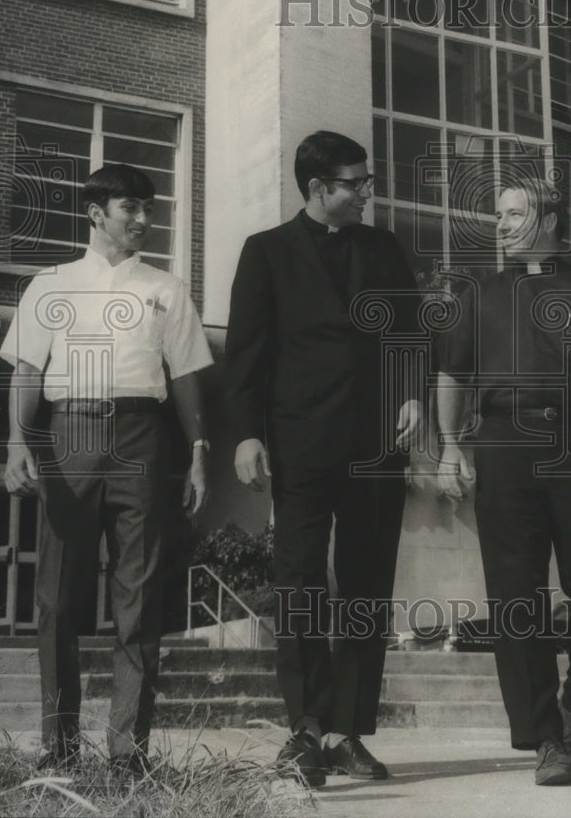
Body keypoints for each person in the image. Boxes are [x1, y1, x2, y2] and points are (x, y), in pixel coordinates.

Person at [435, 176, 571, 786]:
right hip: (505, 442)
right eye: (498, 216)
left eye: (514, 214)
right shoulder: (476, 292)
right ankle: (546, 738)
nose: (502, 225)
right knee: (516, 595)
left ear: (552, 219)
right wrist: (451, 444)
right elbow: (452, 374)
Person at [0, 164, 212, 776]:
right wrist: (18, 442)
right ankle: (57, 746)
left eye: (149, 209)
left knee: (139, 597)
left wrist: (198, 452)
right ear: (96, 213)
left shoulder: (166, 289)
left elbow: (188, 378)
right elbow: (27, 372)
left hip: (143, 436)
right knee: (58, 599)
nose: (144, 220)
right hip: (71, 432)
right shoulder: (52, 283)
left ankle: (128, 753)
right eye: (130, 209)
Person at [225, 130, 422, 788]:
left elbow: (410, 334)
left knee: (367, 589)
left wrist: (413, 394)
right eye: (356, 184)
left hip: (376, 449)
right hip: (300, 446)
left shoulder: (384, 249)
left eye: (367, 181)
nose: (368, 192)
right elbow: (247, 355)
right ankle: (306, 729)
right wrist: (246, 434)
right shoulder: (266, 254)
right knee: (301, 583)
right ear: (318, 190)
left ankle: (346, 733)